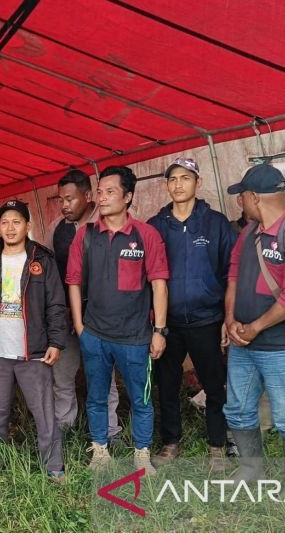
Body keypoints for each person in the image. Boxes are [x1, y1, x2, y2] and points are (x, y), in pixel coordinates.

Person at [222, 164, 285, 488]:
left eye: (242, 197)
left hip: (282, 347)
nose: (240, 203)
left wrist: (254, 327)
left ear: (254, 197)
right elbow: (234, 277)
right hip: (244, 344)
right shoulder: (248, 234)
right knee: (237, 409)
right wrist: (230, 320)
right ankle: (252, 469)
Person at [66, 166, 169, 475]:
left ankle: (142, 453)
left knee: (141, 398)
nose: (102, 197)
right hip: (95, 333)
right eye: (100, 191)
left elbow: (159, 283)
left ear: (128, 197)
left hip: (136, 336)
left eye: (110, 192)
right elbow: (72, 282)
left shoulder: (146, 235)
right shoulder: (85, 235)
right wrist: (80, 326)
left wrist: (160, 330)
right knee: (96, 395)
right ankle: (100, 450)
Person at [0, 200, 67, 480]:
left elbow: (57, 305)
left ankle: (54, 468)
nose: (10, 228)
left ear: (28, 226)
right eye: (5, 222)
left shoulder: (42, 260)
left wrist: (56, 342)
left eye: (16, 222)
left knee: (44, 415)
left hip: (33, 352)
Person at [147, 158, 235, 471]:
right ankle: (171, 442)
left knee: (214, 384)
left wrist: (227, 317)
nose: (179, 184)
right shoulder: (155, 226)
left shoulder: (216, 223)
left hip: (206, 319)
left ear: (197, 182)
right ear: (167, 184)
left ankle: (217, 445)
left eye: (186, 178)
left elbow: (231, 274)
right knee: (166, 384)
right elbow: (146, 276)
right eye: (173, 179)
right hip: (167, 323)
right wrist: (153, 323)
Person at [43, 169, 122, 437]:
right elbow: (50, 273)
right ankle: (65, 428)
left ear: (88, 196)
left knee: (102, 378)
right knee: (62, 376)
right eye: (61, 200)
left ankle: (109, 432)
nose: (64, 206)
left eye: (70, 199)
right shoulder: (56, 229)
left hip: (101, 318)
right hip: (66, 316)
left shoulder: (107, 225)